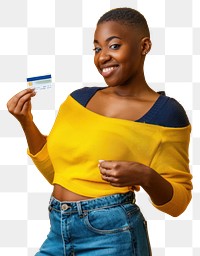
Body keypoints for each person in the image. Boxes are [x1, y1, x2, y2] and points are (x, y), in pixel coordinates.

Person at [7, 7, 192, 256]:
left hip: (114, 235)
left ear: (144, 46)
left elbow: (178, 204)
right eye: (97, 48)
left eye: (114, 46)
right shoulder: (78, 100)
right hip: (58, 229)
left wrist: (146, 176)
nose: (102, 56)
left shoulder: (165, 114)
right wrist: (26, 121)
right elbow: (57, 174)